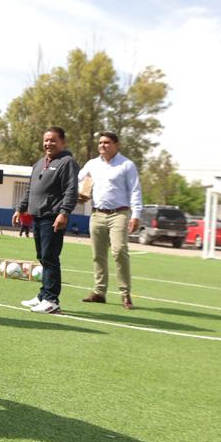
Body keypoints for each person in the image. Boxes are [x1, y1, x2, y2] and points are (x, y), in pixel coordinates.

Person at [77, 132, 143, 309]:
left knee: (119, 251)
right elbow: (79, 179)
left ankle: (125, 294)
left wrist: (136, 214)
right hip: (97, 213)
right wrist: (80, 193)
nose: (102, 146)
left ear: (116, 145)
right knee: (98, 255)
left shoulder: (127, 165)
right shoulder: (92, 164)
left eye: (106, 142)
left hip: (119, 214)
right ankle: (99, 292)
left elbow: (135, 191)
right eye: (100, 142)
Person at [21, 127, 78, 314]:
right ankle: (43, 295)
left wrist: (64, 212)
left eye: (53, 140)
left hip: (52, 217)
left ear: (63, 142)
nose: (48, 144)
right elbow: (31, 189)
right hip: (37, 216)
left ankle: (52, 300)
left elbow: (71, 189)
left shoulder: (67, 162)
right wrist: (21, 208)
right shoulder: (40, 163)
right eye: (46, 140)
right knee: (42, 257)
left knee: (50, 258)